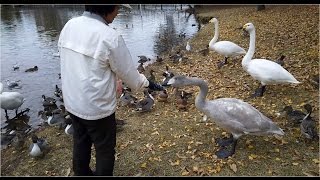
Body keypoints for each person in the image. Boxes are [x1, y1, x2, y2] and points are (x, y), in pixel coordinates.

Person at [58, 5, 163, 176]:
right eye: (117, 7)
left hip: (73, 101)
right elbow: (132, 78)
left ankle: (81, 173)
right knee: (105, 149)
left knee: (81, 141)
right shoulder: (110, 37)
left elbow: (75, 62)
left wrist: (112, 77)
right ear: (108, 7)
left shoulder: (70, 25)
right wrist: (148, 83)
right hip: (97, 108)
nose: (118, 12)